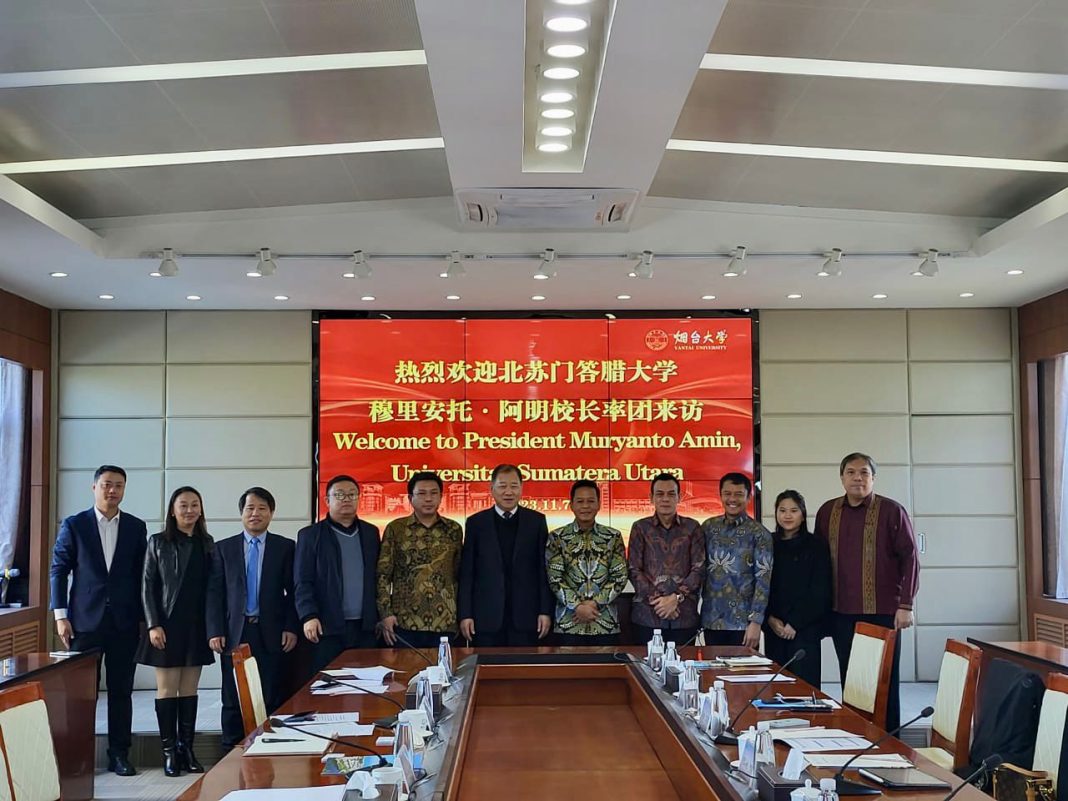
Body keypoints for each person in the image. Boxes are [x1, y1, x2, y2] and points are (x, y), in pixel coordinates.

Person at [49, 464, 147, 777]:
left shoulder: (135, 527)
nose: (112, 490)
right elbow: (58, 570)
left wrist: (145, 619)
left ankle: (119, 754)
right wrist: (60, 615)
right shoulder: (75, 525)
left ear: (124, 489)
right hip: (83, 622)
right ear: (94, 488)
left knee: (121, 691)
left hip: (124, 622)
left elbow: (142, 576)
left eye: (119, 485)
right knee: (81, 694)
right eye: (106, 484)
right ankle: (78, 757)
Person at [814, 452, 919, 732]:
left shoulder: (891, 511)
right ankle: (854, 737)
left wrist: (906, 605)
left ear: (873, 478)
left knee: (884, 681)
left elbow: (910, 557)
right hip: (840, 612)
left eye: (864, 473)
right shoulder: (827, 512)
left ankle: (889, 741)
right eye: (851, 472)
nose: (857, 478)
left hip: (883, 612)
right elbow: (819, 561)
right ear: (841, 477)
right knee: (851, 679)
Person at [207, 487, 299, 751]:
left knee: (271, 693)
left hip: (270, 631)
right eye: (250, 508)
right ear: (241, 513)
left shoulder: (285, 547)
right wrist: (215, 630)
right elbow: (214, 593)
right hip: (235, 631)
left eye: (262, 508)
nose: (255, 513)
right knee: (233, 696)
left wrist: (291, 627)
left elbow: (294, 592)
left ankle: (271, 746)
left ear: (271, 513)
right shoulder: (223, 548)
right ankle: (230, 751)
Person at [137, 486, 215, 777]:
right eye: (183, 505)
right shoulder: (158, 542)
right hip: (166, 626)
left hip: (196, 627)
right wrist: (153, 624)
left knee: (190, 690)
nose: (190, 510)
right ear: (172, 510)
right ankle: (169, 752)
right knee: (167, 689)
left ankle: (187, 749)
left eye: (195, 505)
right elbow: (147, 586)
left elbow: (212, 588)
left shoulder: (207, 543)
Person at [459, 464, 553, 647]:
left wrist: (545, 611)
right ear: (491, 489)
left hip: (527, 616)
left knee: (524, 671)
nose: (508, 492)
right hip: (486, 618)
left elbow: (543, 570)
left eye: (514, 486)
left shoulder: (536, 521)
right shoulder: (476, 523)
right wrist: (465, 614)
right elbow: (467, 573)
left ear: (521, 488)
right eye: (502, 486)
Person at [295, 475, 380, 673]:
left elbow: (379, 577)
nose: (346, 499)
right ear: (327, 500)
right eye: (339, 495)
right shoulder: (310, 535)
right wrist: (308, 615)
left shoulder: (370, 533)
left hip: (365, 627)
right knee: (328, 687)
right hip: (327, 626)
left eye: (352, 495)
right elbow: (302, 581)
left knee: (367, 684)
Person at [377, 471, 463, 649]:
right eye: (422, 494)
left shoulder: (454, 529)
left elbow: (459, 575)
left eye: (434, 493)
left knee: (444, 674)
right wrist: (385, 613)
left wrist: (462, 615)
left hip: (445, 621)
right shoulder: (396, 529)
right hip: (404, 621)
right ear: (410, 498)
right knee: (406, 673)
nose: (428, 499)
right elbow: (383, 574)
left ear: (441, 497)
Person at [546, 480, 629, 645]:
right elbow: (554, 578)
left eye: (591, 501)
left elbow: (620, 576)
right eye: (580, 501)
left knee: (606, 671)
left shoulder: (612, 537)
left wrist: (595, 603)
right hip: (568, 623)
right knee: (570, 671)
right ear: (571, 505)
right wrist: (577, 606)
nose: (585, 506)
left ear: (598, 504)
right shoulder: (558, 537)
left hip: (605, 622)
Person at [627, 473, 705, 647]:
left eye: (671, 494)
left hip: (683, 616)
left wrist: (675, 598)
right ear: (651, 498)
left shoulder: (692, 528)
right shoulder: (640, 528)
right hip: (647, 616)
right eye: (659, 494)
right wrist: (660, 602)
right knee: (646, 671)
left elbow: (699, 569)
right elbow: (633, 569)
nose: (665, 499)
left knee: (683, 669)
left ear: (679, 497)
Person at [763, 490, 831, 687]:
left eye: (793, 510)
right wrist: (770, 619)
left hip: (805, 629)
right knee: (776, 689)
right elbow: (761, 585)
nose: (787, 515)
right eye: (782, 510)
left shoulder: (816, 544)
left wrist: (795, 623)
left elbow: (820, 589)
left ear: (803, 514)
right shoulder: (768, 542)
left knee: (804, 688)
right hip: (775, 629)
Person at [701, 472, 773, 648]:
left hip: (743, 624)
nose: (732, 499)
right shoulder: (708, 528)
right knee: (712, 673)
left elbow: (763, 580)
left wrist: (756, 622)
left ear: (749, 497)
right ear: (721, 495)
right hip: (712, 619)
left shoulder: (759, 533)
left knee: (742, 674)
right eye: (728, 493)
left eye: (739, 494)